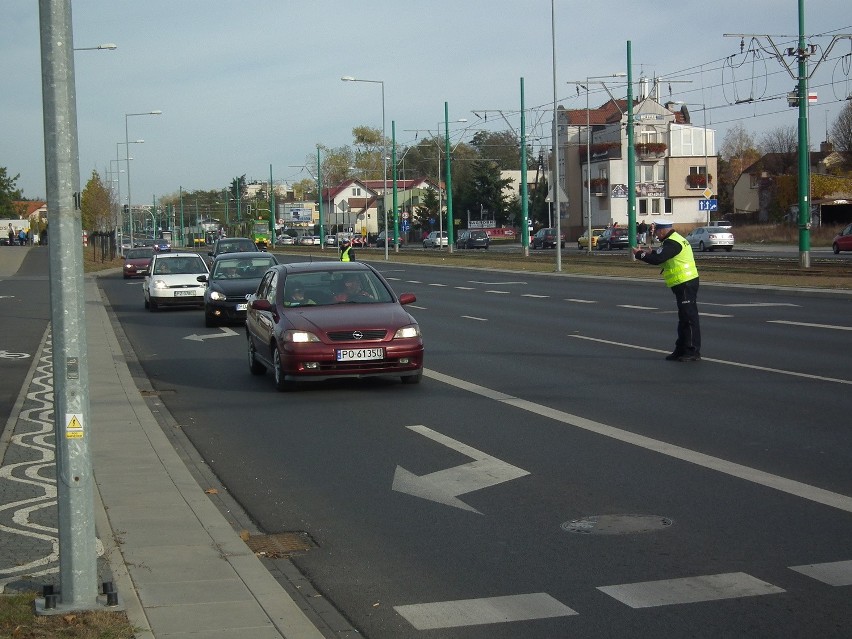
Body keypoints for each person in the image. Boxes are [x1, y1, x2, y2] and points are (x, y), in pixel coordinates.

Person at [632, 220, 701, 362]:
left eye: (657, 231)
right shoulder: (672, 241)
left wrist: (640, 255)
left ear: (663, 230)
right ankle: (681, 349)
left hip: (685, 283)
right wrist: (654, 253)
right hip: (682, 283)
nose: (655, 233)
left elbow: (659, 259)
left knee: (688, 318)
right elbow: (663, 256)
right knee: (683, 318)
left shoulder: (673, 242)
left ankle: (692, 351)